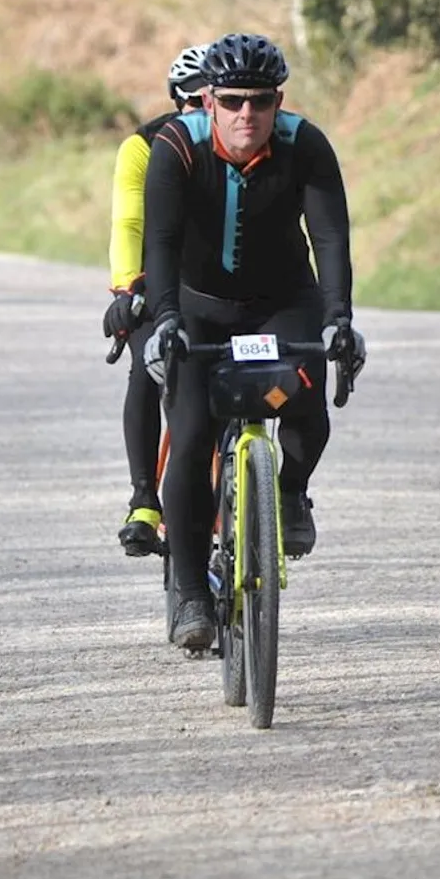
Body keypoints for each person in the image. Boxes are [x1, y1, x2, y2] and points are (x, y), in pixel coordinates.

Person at [141, 32, 367, 651]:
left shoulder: (304, 144)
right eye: (234, 101)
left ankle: (289, 492)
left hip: (280, 302)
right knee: (187, 439)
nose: (248, 115)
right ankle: (189, 592)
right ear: (208, 101)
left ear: (279, 101)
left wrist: (338, 318)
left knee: (304, 397)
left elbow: (329, 237)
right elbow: (157, 243)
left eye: (262, 102)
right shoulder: (176, 147)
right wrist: (164, 321)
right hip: (197, 308)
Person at [103, 43, 211, 556]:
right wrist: (127, 287)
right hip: (160, 277)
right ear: (176, 100)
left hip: (224, 283)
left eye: (214, 101)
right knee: (147, 366)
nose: (203, 113)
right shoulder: (145, 146)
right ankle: (144, 499)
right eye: (193, 103)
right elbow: (128, 222)